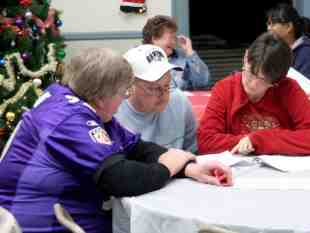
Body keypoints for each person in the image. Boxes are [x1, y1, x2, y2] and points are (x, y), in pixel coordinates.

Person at [0, 48, 232, 233]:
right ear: (101, 96)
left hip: (66, 214)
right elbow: (120, 179)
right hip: (38, 223)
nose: (124, 100)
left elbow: (135, 147)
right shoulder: (68, 119)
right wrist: (169, 167)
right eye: (123, 93)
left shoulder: (82, 104)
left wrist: (189, 167)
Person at [197, 32, 310, 156]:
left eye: (263, 80)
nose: (253, 84)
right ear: (245, 58)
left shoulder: (289, 89)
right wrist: (245, 141)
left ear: (276, 81)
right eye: (250, 73)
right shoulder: (225, 89)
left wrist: (260, 140)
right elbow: (205, 141)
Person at [115, 44, 197, 152]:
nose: (164, 94)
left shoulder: (179, 101)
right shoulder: (113, 113)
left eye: (167, 85)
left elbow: (193, 152)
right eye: (154, 88)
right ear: (129, 86)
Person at [142, 15, 210, 90]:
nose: (174, 42)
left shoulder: (184, 57)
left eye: (174, 38)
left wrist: (190, 52)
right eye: (170, 38)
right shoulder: (139, 59)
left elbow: (202, 82)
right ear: (154, 38)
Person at [267, 3, 310, 86]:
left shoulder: (307, 55)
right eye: (268, 24)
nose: (268, 28)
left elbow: (309, 91)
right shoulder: (278, 53)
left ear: (288, 27)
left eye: (272, 24)